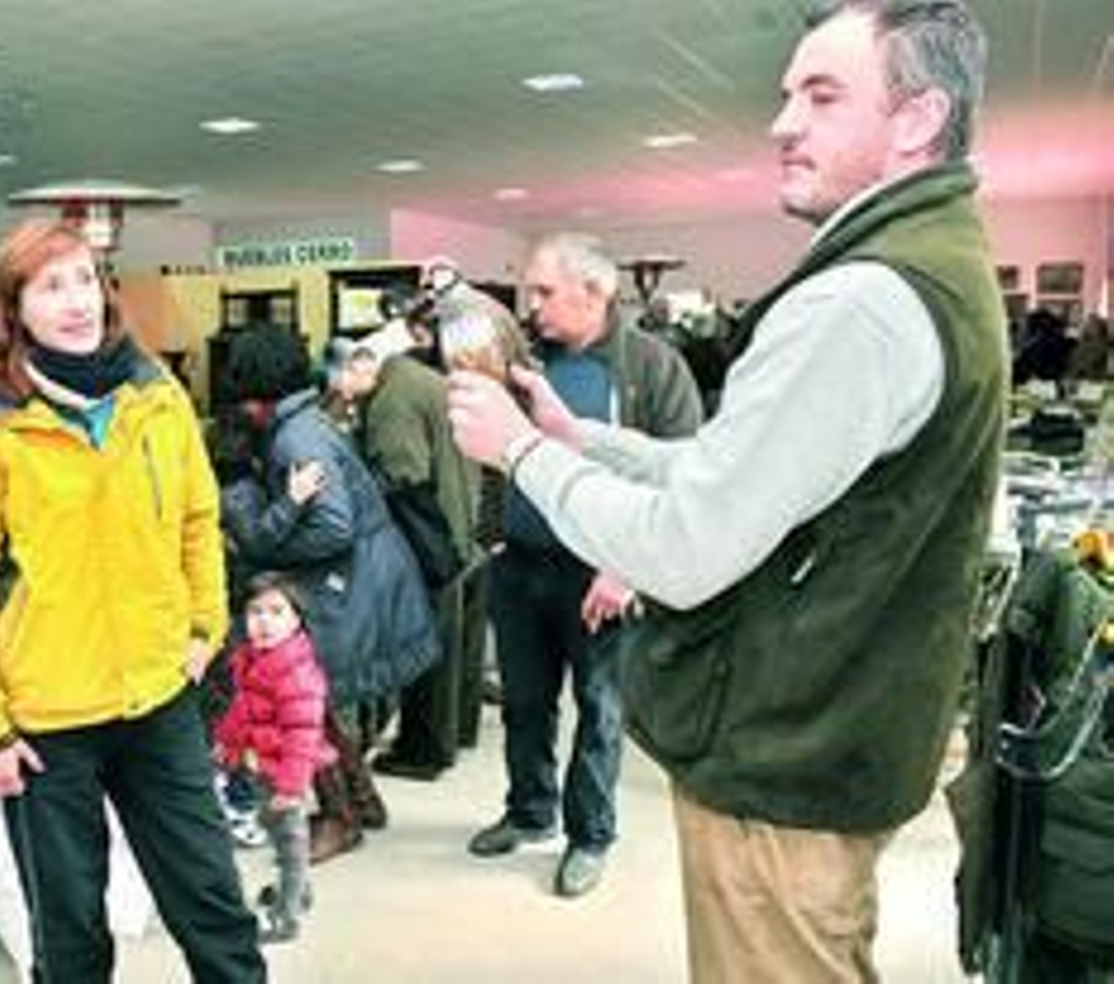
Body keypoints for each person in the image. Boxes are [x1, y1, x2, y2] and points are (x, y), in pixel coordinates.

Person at [448, 1, 1004, 978]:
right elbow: (737, 477)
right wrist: (582, 440)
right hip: (831, 732)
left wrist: (522, 454)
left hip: (788, 754)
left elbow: (686, 545)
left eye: (821, 94)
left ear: (915, 119)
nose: (781, 121)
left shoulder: (860, 301)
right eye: (787, 92)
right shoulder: (925, 265)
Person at [0, 219, 265, 984]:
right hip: (48, 721)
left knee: (214, 908)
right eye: (52, 285)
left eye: (87, 279)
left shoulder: (156, 392)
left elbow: (197, 517)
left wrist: (204, 627)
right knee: (72, 936)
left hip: (158, 697)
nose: (78, 300)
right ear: (13, 309)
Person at [460, 235, 702, 900]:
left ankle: (589, 835)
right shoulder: (525, 363)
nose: (530, 306)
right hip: (520, 566)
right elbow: (496, 450)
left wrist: (624, 568)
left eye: (543, 292)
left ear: (594, 291)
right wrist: (494, 535)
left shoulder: (651, 368)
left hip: (599, 575)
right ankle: (529, 810)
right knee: (524, 703)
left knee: (599, 709)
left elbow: (684, 477)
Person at [221, 323, 440, 863]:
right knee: (317, 696)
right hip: (366, 575)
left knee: (303, 699)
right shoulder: (305, 423)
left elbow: (333, 527)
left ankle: (340, 819)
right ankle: (361, 801)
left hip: (352, 581)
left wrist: (268, 558)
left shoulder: (296, 438)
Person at [334, 315, 483, 780]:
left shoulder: (391, 402)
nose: (338, 392)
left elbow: (403, 474)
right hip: (459, 524)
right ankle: (456, 732)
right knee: (458, 645)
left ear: (361, 364)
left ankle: (423, 751)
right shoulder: (417, 378)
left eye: (338, 379)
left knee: (426, 648)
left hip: (427, 538)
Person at [212, 571, 336, 943]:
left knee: (288, 845)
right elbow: (243, 709)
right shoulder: (254, 658)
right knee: (278, 832)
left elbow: (303, 735)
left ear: (297, 619)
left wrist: (291, 787)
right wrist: (226, 742)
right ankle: (298, 891)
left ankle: (287, 917)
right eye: (255, 612)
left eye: (276, 611)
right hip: (263, 768)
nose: (264, 621)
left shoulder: (295, 672)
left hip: (284, 774)